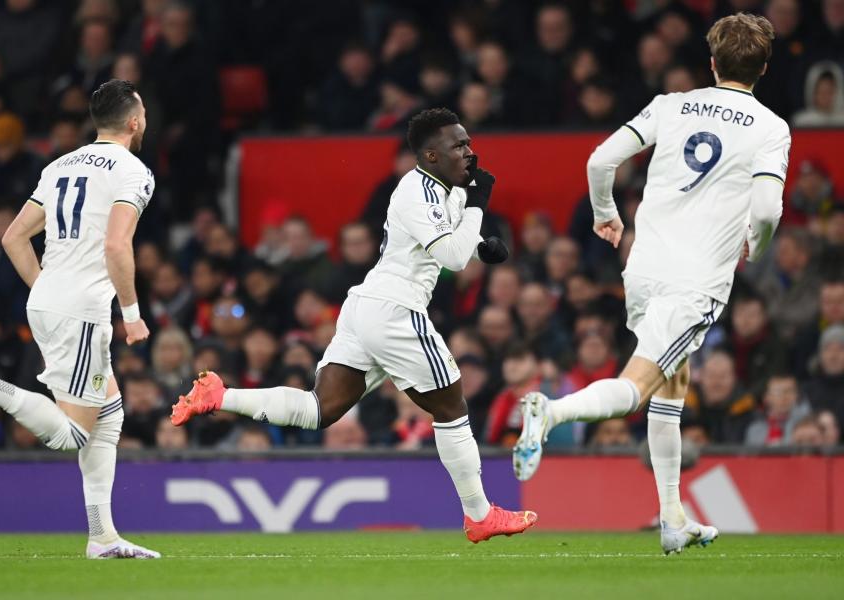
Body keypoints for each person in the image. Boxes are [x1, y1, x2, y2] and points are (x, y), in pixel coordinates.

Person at [171, 108, 536, 542]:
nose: (468, 152)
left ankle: (219, 394)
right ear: (431, 155)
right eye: (458, 145)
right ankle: (479, 515)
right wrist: (478, 206)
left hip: (367, 307)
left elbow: (457, 244)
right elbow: (452, 258)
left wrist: (483, 244)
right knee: (452, 407)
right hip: (396, 309)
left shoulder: (443, 190)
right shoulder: (415, 192)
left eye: (468, 143)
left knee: (320, 409)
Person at [515, 14, 791, 555]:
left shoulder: (672, 104)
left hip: (642, 271)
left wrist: (605, 213)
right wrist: (755, 243)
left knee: (674, 383)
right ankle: (552, 411)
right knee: (636, 389)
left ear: (711, 63)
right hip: (694, 282)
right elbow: (766, 206)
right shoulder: (770, 127)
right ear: (763, 67)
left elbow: (601, 160)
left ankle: (672, 517)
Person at [0, 80, 159, 560]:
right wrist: (131, 314)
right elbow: (115, 244)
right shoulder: (133, 171)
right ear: (134, 121)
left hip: (49, 298)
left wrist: (46, 290)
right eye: (144, 112)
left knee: (109, 415)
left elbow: (12, 238)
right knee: (75, 434)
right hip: (83, 309)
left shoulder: (59, 165)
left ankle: (103, 536)